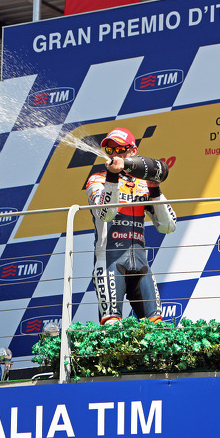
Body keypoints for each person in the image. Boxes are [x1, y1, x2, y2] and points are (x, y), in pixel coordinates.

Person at [85, 127, 177, 324]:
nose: (115, 154)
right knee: (112, 325)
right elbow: (106, 213)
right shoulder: (97, 180)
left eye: (120, 149)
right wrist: (112, 177)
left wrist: (155, 189)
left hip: (141, 265)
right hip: (109, 263)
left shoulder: (144, 184)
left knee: (156, 326)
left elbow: (168, 226)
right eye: (110, 150)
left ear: (133, 151)